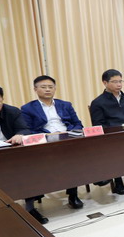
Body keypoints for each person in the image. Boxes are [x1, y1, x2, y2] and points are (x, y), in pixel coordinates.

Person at [20, 76, 85, 220]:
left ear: (55, 88)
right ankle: (31, 204)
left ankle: (73, 195)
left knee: (76, 159)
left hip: (68, 140)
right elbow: (27, 130)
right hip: (44, 144)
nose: (47, 90)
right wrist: (49, 135)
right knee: (32, 166)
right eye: (43, 87)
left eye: (50, 87)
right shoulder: (27, 108)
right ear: (35, 89)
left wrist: (69, 133)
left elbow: (78, 124)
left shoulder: (65, 105)